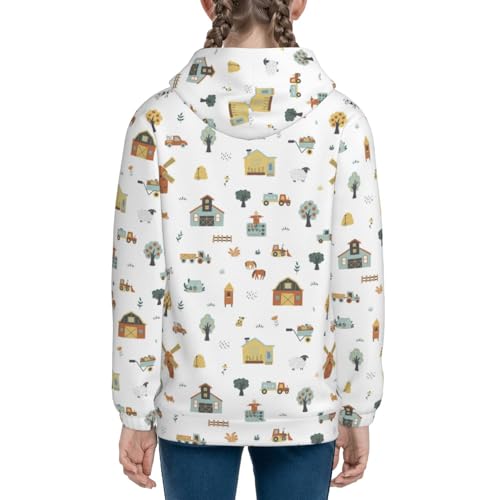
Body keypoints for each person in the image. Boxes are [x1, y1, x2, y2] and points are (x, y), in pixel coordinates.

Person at [110, 1, 385, 498]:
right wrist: (356, 406)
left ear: (208, 2)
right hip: (304, 409)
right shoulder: (342, 124)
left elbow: (137, 280)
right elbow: (358, 282)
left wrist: (135, 409)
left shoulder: (157, 121)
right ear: (298, 4)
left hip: (190, 410)